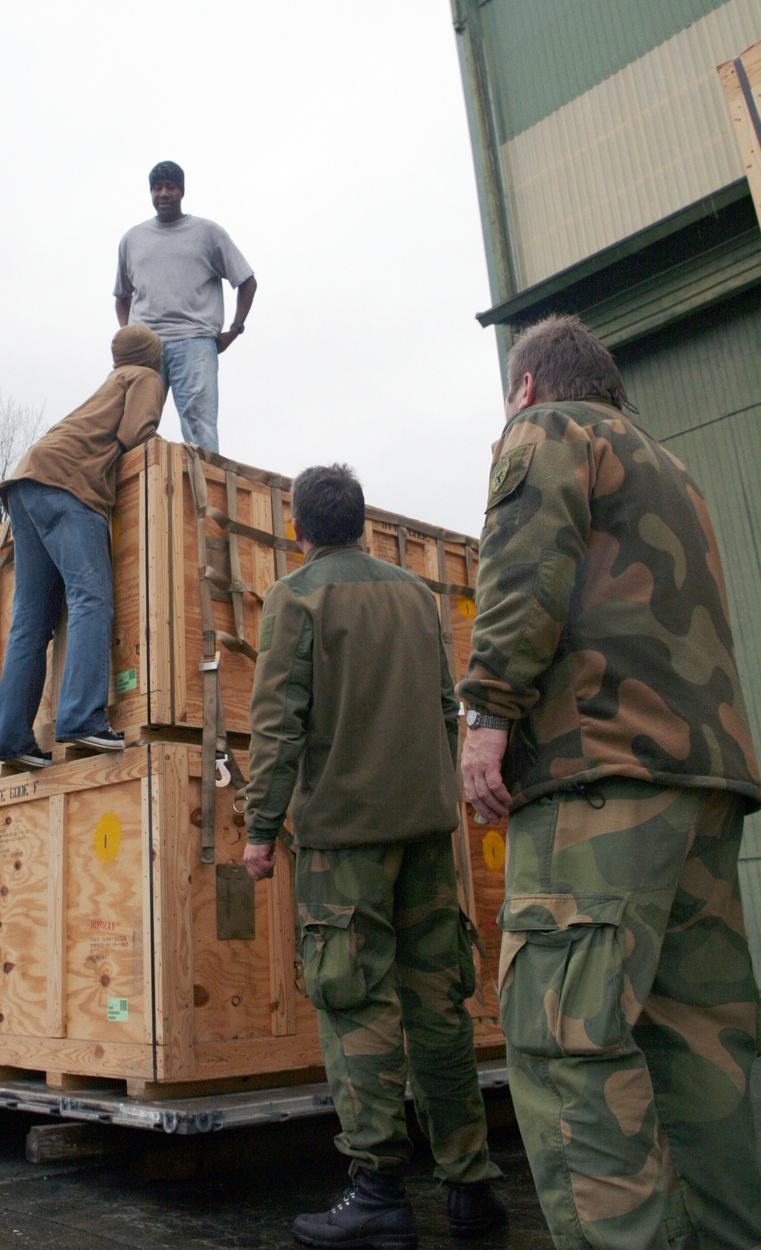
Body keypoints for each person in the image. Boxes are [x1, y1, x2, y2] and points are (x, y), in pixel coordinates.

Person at [459, 314, 761, 1250]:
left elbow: (523, 568)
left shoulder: (547, 432)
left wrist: (486, 715)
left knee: (567, 1046)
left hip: (599, 786)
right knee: (704, 1050)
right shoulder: (674, 470)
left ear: (526, 387)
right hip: (698, 788)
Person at [243, 464, 506, 1249]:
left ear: (300, 529)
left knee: (355, 1004)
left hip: (344, 841)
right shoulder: (418, 598)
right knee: (439, 1006)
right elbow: (441, 703)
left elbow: (279, 722)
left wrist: (259, 831)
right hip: (429, 832)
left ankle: (379, 1189)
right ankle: (471, 1186)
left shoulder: (296, 599)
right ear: (360, 522)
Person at [0, 325, 164, 768]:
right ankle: (82, 718)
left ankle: (10, 738)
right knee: (91, 598)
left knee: (31, 621)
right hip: (67, 487)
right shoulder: (144, 377)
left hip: (25, 485)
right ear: (152, 354)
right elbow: (136, 434)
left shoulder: (109, 382)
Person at [113, 160, 256, 453]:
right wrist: (130, 336)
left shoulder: (207, 233)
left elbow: (247, 281)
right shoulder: (132, 239)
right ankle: (132, 495)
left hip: (194, 341)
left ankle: (203, 496)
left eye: (171, 187)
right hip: (146, 346)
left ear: (182, 191)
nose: (163, 193)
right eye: (157, 187)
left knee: (200, 427)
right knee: (130, 427)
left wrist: (235, 330)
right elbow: (122, 297)